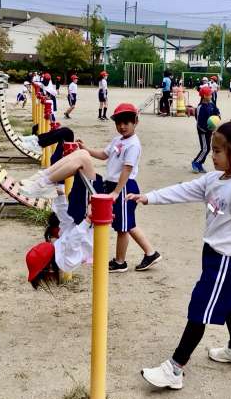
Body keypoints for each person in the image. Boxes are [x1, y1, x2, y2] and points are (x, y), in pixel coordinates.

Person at [127, 119, 231, 390]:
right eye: (212, 150)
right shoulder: (214, 179)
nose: (212, 156)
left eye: (217, 151)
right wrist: (149, 197)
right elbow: (184, 190)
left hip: (227, 260)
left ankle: (175, 368)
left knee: (200, 306)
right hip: (211, 254)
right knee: (229, 304)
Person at [20, 103, 161, 273]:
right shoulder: (118, 140)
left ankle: (121, 261)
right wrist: (87, 149)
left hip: (123, 187)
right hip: (112, 185)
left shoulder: (133, 144)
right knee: (126, 224)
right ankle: (149, 253)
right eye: (119, 123)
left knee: (124, 227)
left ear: (135, 122)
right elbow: (104, 154)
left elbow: (127, 169)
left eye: (126, 123)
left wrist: (116, 192)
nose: (122, 127)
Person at [25, 183, 93, 290]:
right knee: (85, 178)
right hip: (86, 221)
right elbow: (69, 229)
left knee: (83, 179)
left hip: (87, 223)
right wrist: (60, 197)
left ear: (49, 268)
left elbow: (70, 232)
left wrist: (88, 220)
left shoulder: (65, 262)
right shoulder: (61, 251)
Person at [192, 85, 221, 174]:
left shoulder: (211, 104)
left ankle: (200, 164)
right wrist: (206, 129)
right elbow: (199, 122)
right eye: (210, 94)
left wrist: (218, 117)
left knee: (208, 148)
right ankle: (195, 162)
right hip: (203, 131)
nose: (211, 96)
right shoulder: (200, 107)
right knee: (205, 148)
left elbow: (217, 112)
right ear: (205, 96)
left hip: (210, 130)